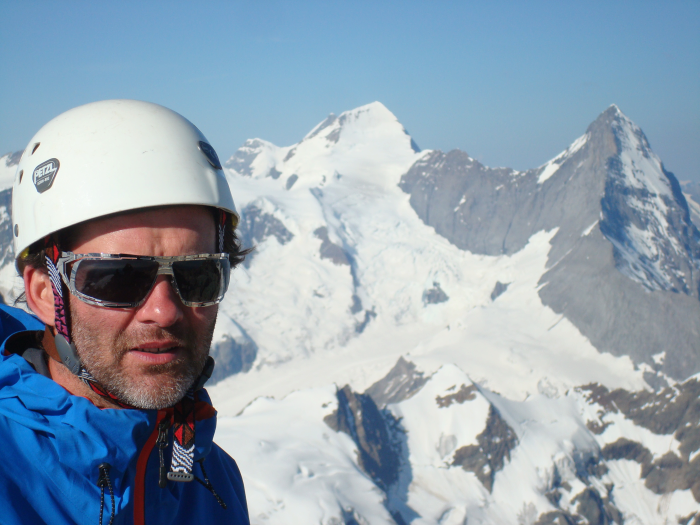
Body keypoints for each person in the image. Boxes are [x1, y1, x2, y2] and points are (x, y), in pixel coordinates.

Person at [0, 100, 250, 524]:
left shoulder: (215, 481)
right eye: (117, 279)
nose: (164, 310)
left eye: (198, 275)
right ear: (44, 294)